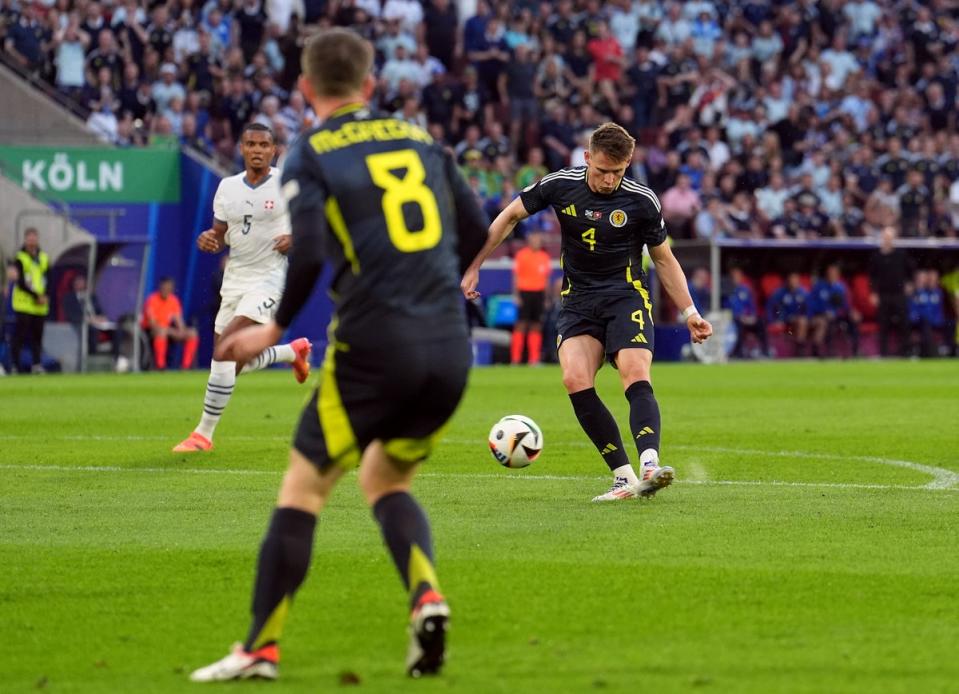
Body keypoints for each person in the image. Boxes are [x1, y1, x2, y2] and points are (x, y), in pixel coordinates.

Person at [189, 28, 487, 683]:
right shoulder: (422, 141)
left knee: (303, 489)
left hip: (373, 346)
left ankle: (258, 650)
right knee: (385, 480)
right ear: (371, 86)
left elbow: (315, 254)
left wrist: (271, 332)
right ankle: (427, 596)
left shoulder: (311, 153)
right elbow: (473, 231)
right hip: (448, 346)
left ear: (305, 89)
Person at [462, 122, 713, 502]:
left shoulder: (642, 200)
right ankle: (624, 479)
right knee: (574, 379)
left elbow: (664, 259)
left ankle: (649, 463)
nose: (609, 180)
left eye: (618, 171)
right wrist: (474, 264)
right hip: (578, 299)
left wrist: (690, 311)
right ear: (586, 159)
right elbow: (511, 215)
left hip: (626, 295)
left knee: (634, 371)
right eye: (601, 171)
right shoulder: (560, 184)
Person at [172, 122, 311, 453]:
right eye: (252, 144)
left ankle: (202, 435)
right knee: (235, 362)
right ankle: (291, 352)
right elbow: (219, 234)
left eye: (265, 145)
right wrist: (209, 239)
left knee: (226, 350)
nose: (258, 150)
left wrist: (296, 238)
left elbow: (314, 220)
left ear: (274, 150)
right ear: (242, 148)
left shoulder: (286, 183)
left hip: (270, 279)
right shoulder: (227, 187)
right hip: (236, 280)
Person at [62, 274, 124, 368]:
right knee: (93, 331)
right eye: (78, 282)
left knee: (118, 330)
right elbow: (71, 315)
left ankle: (116, 359)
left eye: (82, 281)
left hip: (98, 324)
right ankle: (93, 360)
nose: (80, 284)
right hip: (82, 326)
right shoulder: (69, 298)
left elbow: (100, 311)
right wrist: (88, 320)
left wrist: (101, 317)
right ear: (73, 284)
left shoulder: (92, 297)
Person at [869, 226, 913, 356]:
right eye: (886, 237)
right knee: (883, 324)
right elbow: (873, 277)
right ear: (882, 238)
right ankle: (883, 353)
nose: (888, 240)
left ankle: (906, 352)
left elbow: (910, 270)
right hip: (883, 295)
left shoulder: (901, 254)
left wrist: (909, 283)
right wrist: (873, 293)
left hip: (899, 293)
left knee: (904, 323)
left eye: (890, 237)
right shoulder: (876, 256)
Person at [11, 228, 50, 374]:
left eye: (34, 237)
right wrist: (36, 296)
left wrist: (45, 295)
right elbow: (20, 282)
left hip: (40, 305)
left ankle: (37, 364)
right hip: (24, 303)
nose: (32, 240)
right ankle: (15, 365)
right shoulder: (20, 258)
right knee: (19, 336)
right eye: (30, 237)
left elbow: (49, 278)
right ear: (25, 239)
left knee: (37, 337)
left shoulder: (44, 257)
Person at [511, 231, 551, 365]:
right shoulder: (521, 255)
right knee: (521, 325)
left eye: (538, 240)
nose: (536, 242)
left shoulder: (544, 257)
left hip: (538, 294)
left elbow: (546, 279)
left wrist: (546, 298)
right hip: (524, 292)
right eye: (534, 239)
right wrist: (516, 295)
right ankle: (515, 359)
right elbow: (515, 277)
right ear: (529, 241)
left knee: (536, 325)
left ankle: (533, 359)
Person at [141, 277, 199, 369]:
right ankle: (161, 366)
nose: (166, 290)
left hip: (168, 331)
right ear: (160, 287)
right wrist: (170, 331)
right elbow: (153, 324)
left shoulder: (173, 300)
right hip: (151, 331)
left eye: (169, 288)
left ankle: (185, 366)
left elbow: (178, 319)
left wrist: (181, 330)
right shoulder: (152, 300)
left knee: (192, 333)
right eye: (164, 288)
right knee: (161, 332)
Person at [809, 264, 860, 357]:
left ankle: (855, 349)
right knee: (828, 323)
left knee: (853, 320)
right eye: (830, 273)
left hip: (838, 315)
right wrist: (824, 312)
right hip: (823, 316)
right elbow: (812, 304)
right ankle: (828, 351)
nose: (832, 275)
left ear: (838, 275)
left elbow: (846, 305)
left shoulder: (841, 287)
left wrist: (852, 311)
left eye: (834, 273)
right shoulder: (819, 287)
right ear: (826, 274)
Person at [726, 267, 768, 358]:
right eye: (733, 277)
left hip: (748, 319)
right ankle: (738, 352)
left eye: (737, 276)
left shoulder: (745, 290)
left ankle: (765, 351)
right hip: (735, 320)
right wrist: (739, 316)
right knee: (738, 326)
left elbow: (752, 306)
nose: (735, 279)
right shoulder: (727, 291)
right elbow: (727, 308)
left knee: (761, 323)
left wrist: (752, 316)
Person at [766, 272, 810, 356]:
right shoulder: (779, 293)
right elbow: (770, 307)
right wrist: (772, 321)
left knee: (803, 321)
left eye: (795, 280)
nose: (793, 282)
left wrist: (808, 317)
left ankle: (801, 347)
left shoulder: (804, 293)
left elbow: (809, 309)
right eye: (791, 280)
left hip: (799, 320)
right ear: (787, 281)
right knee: (802, 322)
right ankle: (800, 349)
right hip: (785, 320)